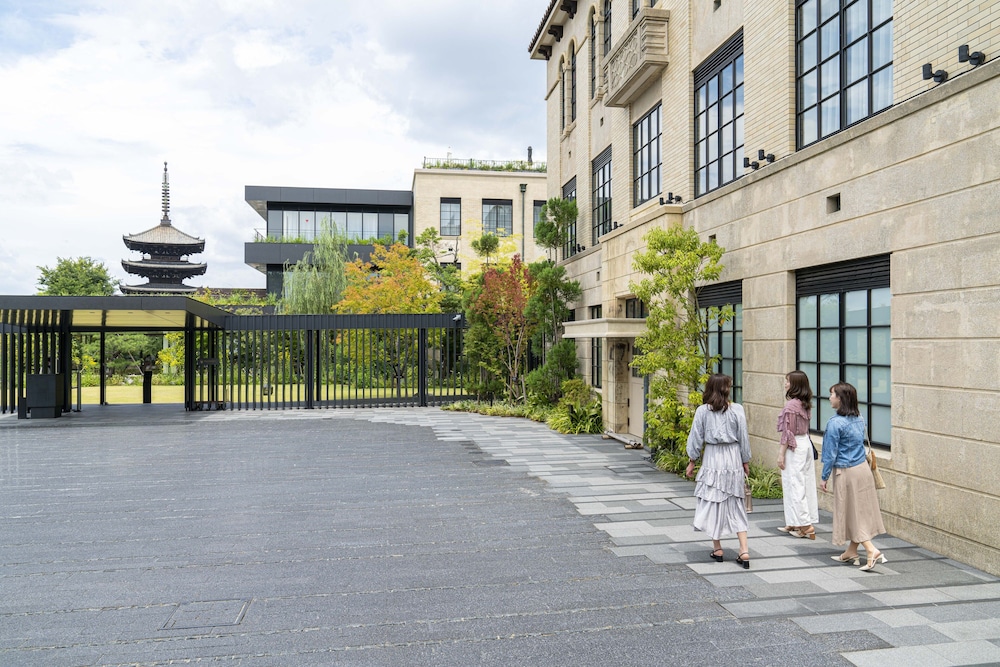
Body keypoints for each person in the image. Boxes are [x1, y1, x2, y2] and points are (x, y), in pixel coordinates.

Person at [685, 373, 752, 569]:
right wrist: (745, 460)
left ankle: (718, 548)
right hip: (733, 457)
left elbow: (695, 438)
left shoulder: (703, 411)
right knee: (736, 502)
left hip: (713, 457)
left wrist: (692, 461)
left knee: (714, 501)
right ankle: (744, 550)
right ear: (725, 389)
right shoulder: (737, 410)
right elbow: (743, 437)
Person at [819, 382, 887, 572]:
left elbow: (830, 454)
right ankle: (851, 551)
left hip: (847, 472)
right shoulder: (859, 418)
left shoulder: (834, 423)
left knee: (850, 513)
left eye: (832, 394)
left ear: (840, 399)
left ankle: (871, 550)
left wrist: (824, 477)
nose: (829, 397)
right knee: (859, 511)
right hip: (862, 470)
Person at [776, 371, 819, 539]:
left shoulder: (791, 405)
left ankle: (805, 525)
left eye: (788, 381)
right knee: (804, 482)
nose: (785, 384)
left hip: (795, 447)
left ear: (794, 384)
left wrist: (781, 454)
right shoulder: (804, 403)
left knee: (794, 484)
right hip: (805, 444)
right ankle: (795, 522)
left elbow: (788, 432)